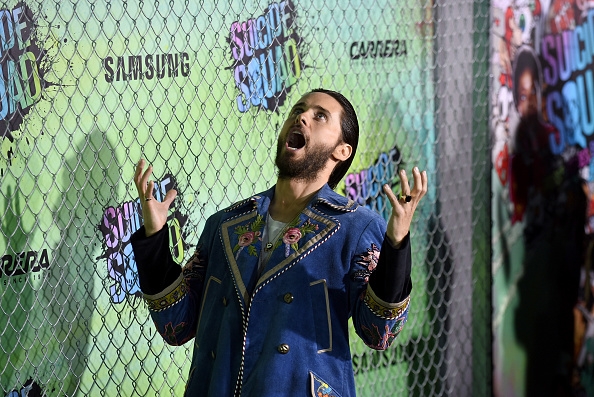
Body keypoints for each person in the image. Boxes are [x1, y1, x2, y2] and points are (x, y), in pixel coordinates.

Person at [131, 88, 428, 396]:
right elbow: (176, 325)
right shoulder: (225, 226)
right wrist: (154, 237)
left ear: (342, 150)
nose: (301, 116)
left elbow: (380, 333)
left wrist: (396, 244)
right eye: (298, 110)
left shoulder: (355, 227)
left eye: (319, 116)